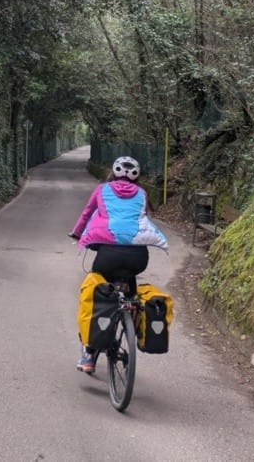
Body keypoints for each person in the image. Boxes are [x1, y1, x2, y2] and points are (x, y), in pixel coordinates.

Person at [68, 155, 167, 373]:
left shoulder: (102, 190)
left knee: (98, 289)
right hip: (138, 258)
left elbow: (87, 214)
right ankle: (129, 316)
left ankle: (89, 355)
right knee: (130, 287)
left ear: (113, 172)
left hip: (108, 256)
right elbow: (144, 220)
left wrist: (77, 233)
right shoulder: (142, 194)